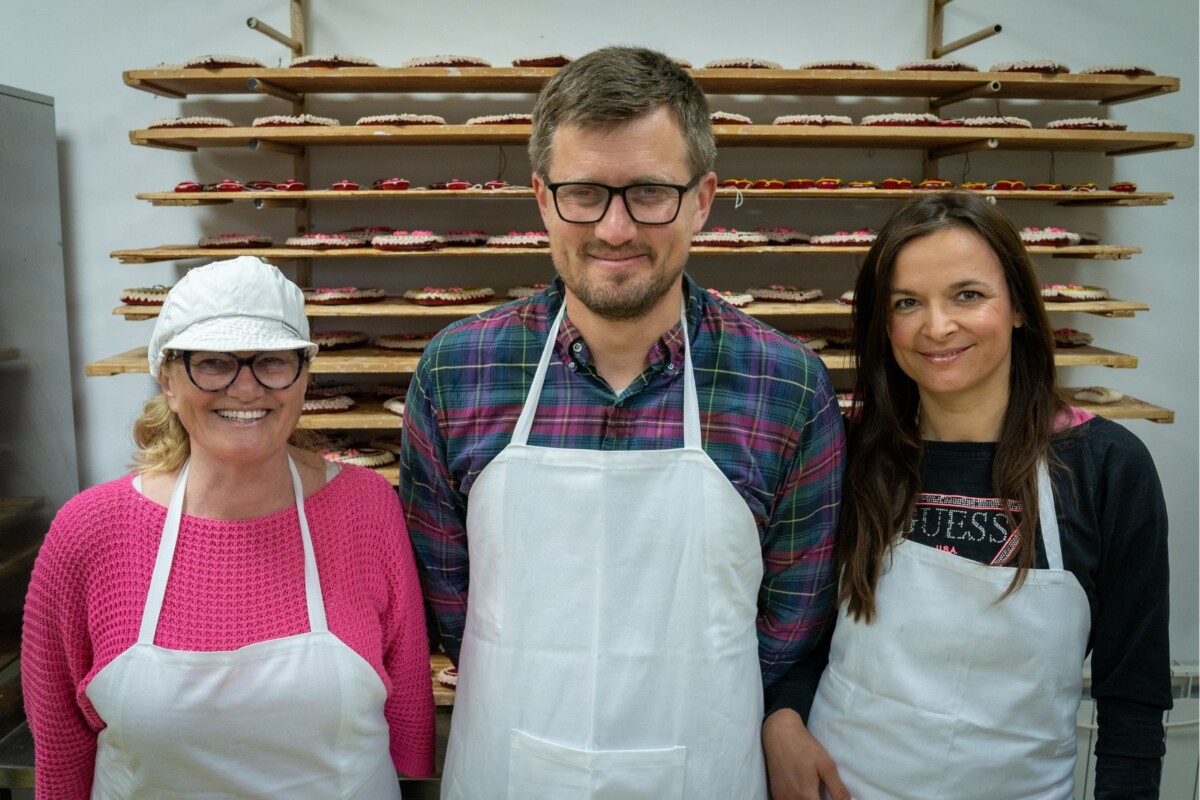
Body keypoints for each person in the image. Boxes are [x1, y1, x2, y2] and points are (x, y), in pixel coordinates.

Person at [399, 46, 844, 798]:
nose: (613, 229)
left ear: (703, 198)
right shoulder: (457, 372)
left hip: (705, 770)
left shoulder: (787, 386)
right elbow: (447, 606)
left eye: (648, 193)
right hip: (508, 768)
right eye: (584, 193)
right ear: (542, 198)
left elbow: (792, 625)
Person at [764, 191, 1171, 800]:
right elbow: (805, 632)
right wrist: (783, 719)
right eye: (907, 303)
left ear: (1018, 308)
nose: (937, 326)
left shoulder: (1105, 466)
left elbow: (1132, 699)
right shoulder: (850, 453)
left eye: (968, 295)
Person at [22, 257, 435, 798]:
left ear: (302, 378)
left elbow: (407, 701)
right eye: (213, 363)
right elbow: (59, 742)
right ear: (168, 380)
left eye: (271, 361)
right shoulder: (92, 530)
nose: (246, 389)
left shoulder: (367, 509)